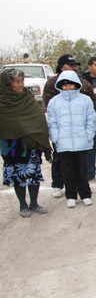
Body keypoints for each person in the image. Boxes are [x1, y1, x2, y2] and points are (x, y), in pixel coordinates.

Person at [43, 54, 96, 198]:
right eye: (71, 65)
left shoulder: (82, 83)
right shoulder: (51, 85)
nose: (74, 67)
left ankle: (84, 194)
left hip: (80, 136)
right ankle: (58, 185)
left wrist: (88, 135)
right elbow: (51, 113)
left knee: (81, 167)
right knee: (61, 162)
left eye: (75, 65)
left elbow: (92, 103)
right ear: (61, 67)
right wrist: (56, 137)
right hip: (63, 136)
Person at [0, 68, 51, 218]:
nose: (22, 84)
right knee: (18, 176)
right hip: (12, 147)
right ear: (8, 84)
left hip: (30, 145)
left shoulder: (27, 98)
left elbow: (38, 119)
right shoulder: (2, 101)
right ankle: (23, 204)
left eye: (22, 80)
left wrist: (34, 132)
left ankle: (34, 203)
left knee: (33, 174)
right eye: (17, 81)